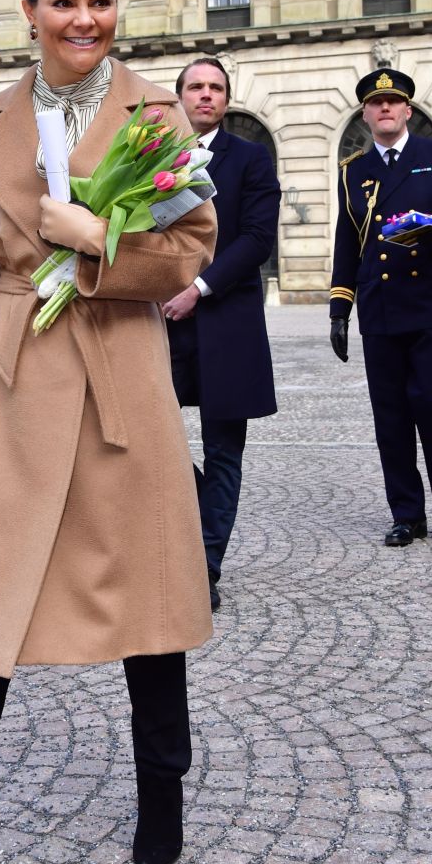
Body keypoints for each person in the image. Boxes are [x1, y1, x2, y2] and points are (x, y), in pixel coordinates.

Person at [0, 0, 217, 864]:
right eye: (63, 3)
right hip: (14, 380)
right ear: (30, 10)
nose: (83, 20)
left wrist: (99, 243)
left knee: (152, 606)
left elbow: (187, 250)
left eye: (99, 2)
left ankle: (161, 802)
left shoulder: (157, 112)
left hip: (122, 378)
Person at [329, 69, 432, 547]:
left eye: (393, 102)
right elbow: (346, 241)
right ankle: (406, 514)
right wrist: (339, 307)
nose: (385, 109)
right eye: (376, 104)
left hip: (431, 303)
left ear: (408, 110)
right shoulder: (353, 169)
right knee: (390, 414)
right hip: (381, 307)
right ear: (366, 114)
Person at [162, 58, 281, 611]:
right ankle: (181, 540)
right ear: (179, 96)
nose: (205, 95)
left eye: (215, 88)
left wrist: (200, 288)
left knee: (225, 456)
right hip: (161, 324)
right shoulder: (153, 156)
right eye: (195, 87)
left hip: (225, 323)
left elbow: (257, 239)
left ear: (226, 100)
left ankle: (203, 570)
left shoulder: (252, 159)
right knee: (148, 445)